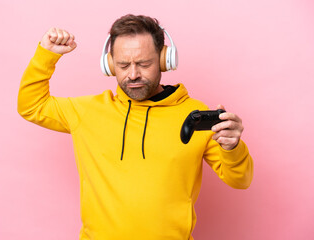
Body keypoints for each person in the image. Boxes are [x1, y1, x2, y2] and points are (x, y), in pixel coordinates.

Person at [18, 14, 253, 240]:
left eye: (144, 63)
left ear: (164, 60)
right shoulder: (87, 112)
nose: (133, 74)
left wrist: (232, 147)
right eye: (123, 65)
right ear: (109, 65)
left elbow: (240, 180)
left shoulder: (194, 116)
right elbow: (31, 106)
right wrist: (46, 55)